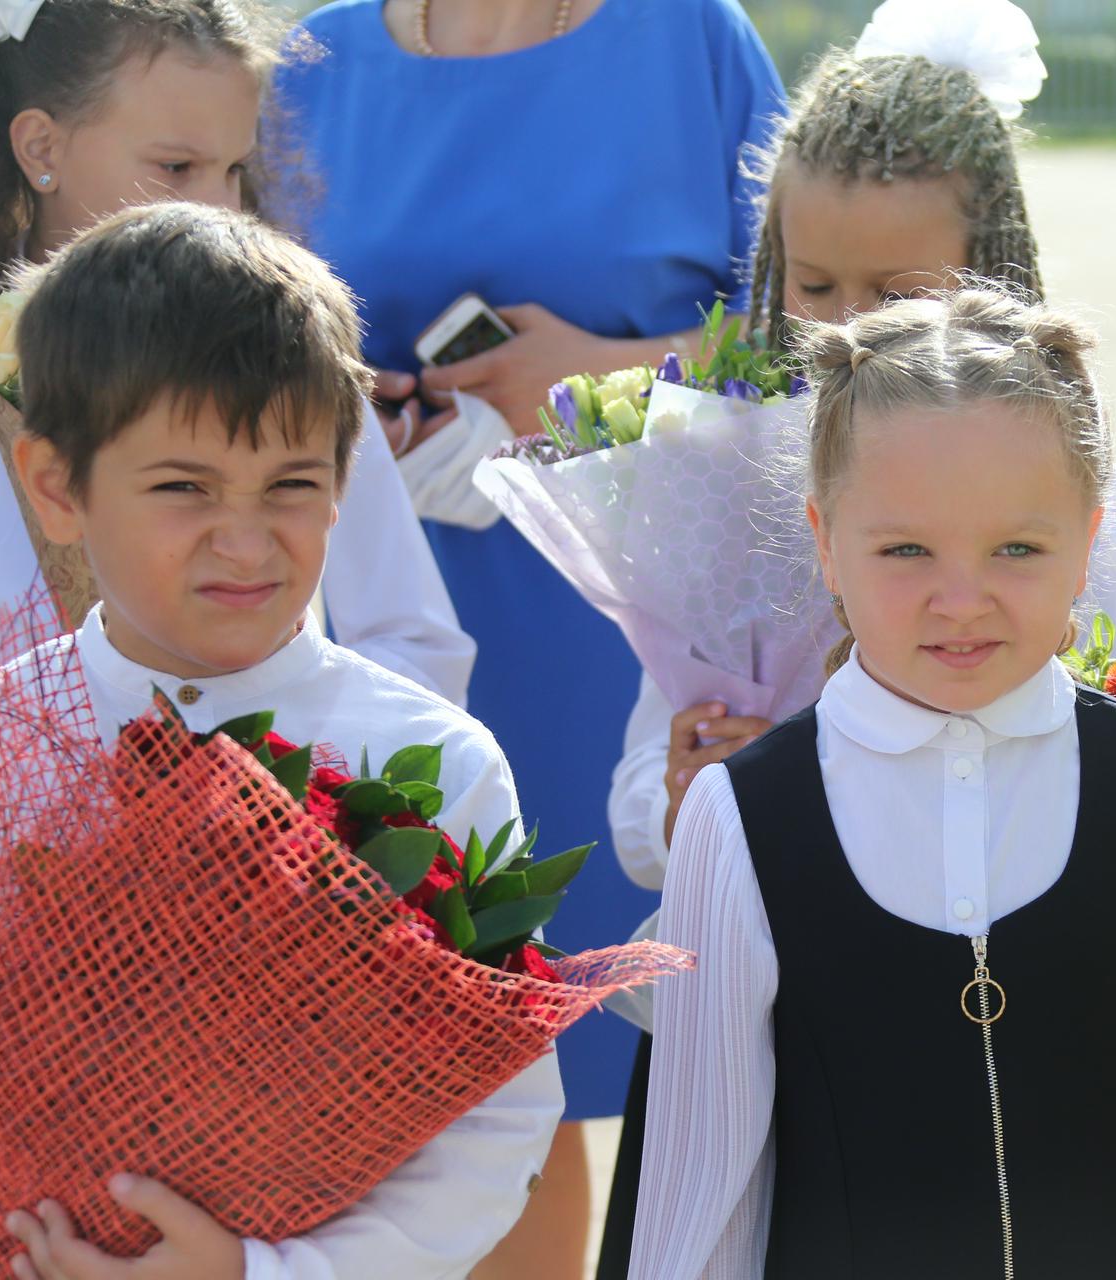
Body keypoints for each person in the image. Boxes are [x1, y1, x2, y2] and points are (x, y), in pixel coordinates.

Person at [629, 287, 1116, 1280]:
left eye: (1017, 548)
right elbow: (706, 1189)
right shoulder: (740, 817)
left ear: (1088, 544)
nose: (962, 599)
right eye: (906, 549)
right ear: (826, 542)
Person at [0, 201, 563, 1280]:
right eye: (184, 487)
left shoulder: (433, 761)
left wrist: (264, 1272)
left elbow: (492, 1125)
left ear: (345, 480)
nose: (247, 540)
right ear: (56, 486)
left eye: (292, 485)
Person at [272, 2, 784, 1271]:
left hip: (630, 646)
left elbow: (806, 337)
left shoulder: (694, 42)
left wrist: (597, 374)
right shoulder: (314, 62)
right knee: (403, 1060)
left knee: (547, 1060)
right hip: (370, 610)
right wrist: (352, 415)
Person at [0, 0, 473, 706]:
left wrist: (293, 757)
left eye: (234, 168)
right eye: (177, 166)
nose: (218, 207)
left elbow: (411, 636)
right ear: (41, 149)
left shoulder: (288, 348)